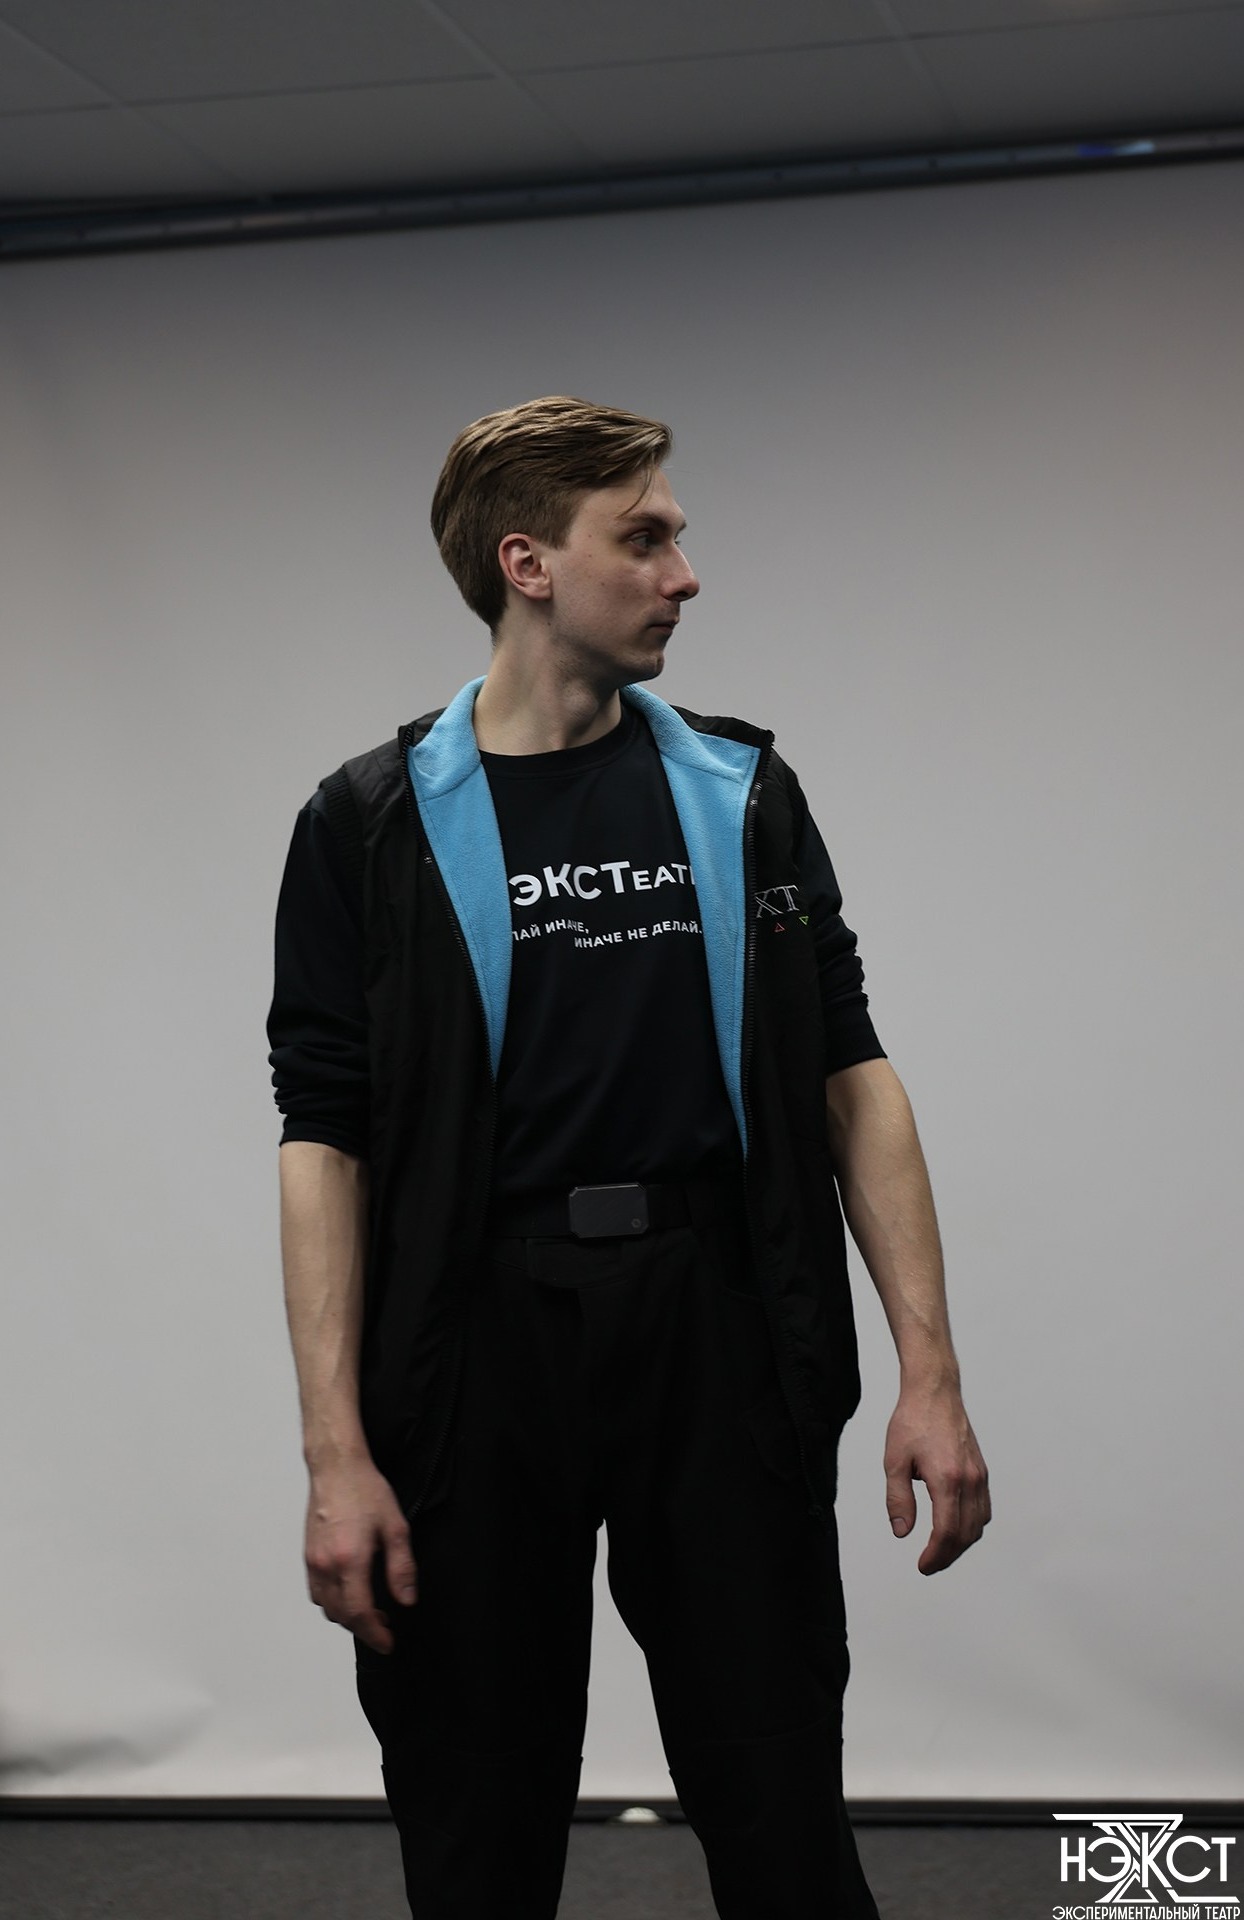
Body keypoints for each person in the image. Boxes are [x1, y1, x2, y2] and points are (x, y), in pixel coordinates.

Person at [267, 396, 990, 1920]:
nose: (684, 573)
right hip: (477, 1355)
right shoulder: (369, 827)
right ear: (528, 563)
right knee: (478, 1832)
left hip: (717, 1332)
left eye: (676, 536)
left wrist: (929, 1373)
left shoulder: (743, 796)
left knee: (783, 1819)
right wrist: (337, 1456)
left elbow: (850, 1076)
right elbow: (324, 1141)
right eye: (645, 537)